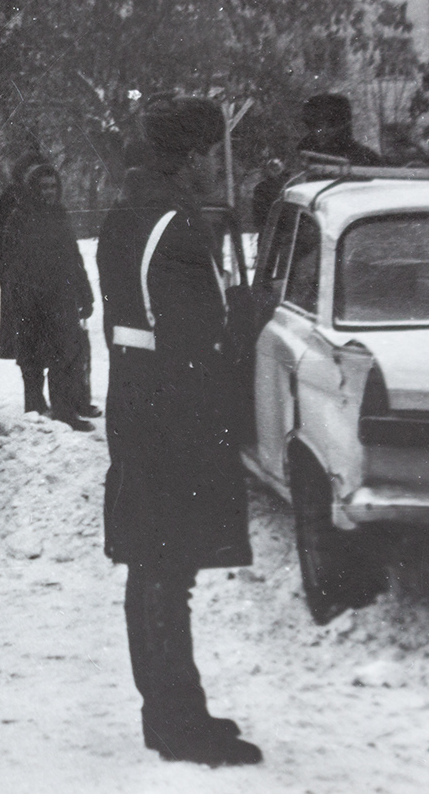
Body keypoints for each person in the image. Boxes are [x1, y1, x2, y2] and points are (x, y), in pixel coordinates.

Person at [96, 95, 260, 766]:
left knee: (155, 561)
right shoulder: (176, 224)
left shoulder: (131, 211)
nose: (217, 167)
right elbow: (194, 333)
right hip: (175, 407)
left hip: (139, 397)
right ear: (193, 155)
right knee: (166, 563)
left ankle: (171, 708)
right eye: (212, 154)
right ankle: (173, 717)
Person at [0, 154, 97, 431]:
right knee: (31, 358)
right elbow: (12, 263)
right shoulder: (19, 218)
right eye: (43, 187)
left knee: (64, 354)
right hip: (30, 300)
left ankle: (64, 411)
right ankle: (34, 409)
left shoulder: (60, 215)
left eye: (53, 186)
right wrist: (23, 298)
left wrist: (85, 294)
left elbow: (74, 257)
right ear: (32, 189)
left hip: (61, 298)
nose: (49, 192)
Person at [250, 93, 383, 230]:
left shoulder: (367, 160)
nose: (321, 131)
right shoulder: (297, 159)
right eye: (313, 124)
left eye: (332, 122)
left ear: (344, 123)